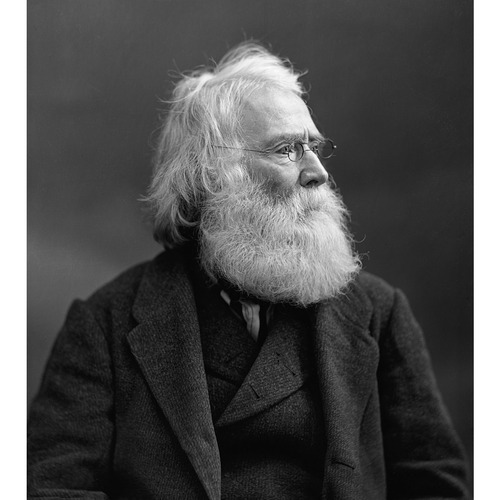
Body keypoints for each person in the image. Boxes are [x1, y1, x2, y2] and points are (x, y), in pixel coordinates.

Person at [28, 42, 469, 499]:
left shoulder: (379, 314)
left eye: (314, 147)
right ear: (211, 175)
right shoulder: (105, 324)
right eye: (287, 150)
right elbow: (53, 487)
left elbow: (433, 484)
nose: (318, 172)